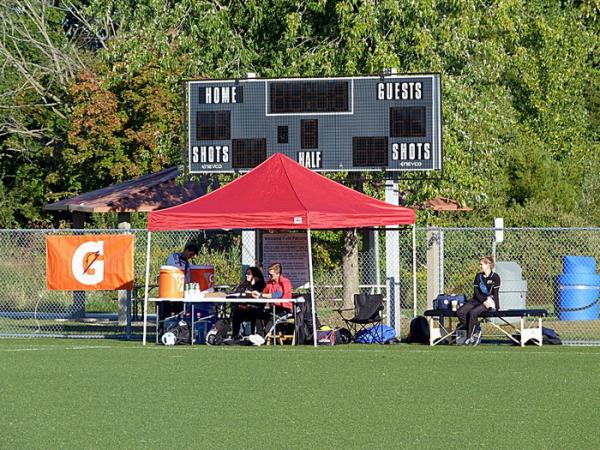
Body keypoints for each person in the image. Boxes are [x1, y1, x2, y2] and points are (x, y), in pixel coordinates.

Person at [456, 255, 501, 346]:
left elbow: (495, 294)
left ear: (488, 265)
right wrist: (483, 300)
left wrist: (497, 307)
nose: (480, 266)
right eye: (480, 264)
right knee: (460, 312)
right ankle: (476, 329)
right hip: (477, 300)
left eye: (482, 264)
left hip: (488, 302)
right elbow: (476, 293)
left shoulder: (495, 277)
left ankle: (469, 337)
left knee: (473, 313)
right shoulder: (478, 276)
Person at [251, 262, 293, 337]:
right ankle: (258, 334)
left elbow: (277, 295)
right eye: (268, 274)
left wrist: (261, 295)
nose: (269, 276)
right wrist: (256, 294)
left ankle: (262, 337)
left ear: (278, 274)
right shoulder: (269, 283)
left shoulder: (284, 282)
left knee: (273, 318)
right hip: (273, 308)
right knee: (257, 314)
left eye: (271, 275)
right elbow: (264, 293)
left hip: (284, 310)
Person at [230, 266, 266, 337]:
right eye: (246, 274)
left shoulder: (262, 285)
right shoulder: (244, 285)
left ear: (255, 275)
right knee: (237, 313)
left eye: (249, 274)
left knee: (255, 312)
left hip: (257, 308)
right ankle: (235, 335)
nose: (246, 275)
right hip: (244, 308)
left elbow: (262, 299)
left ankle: (258, 335)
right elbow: (238, 293)